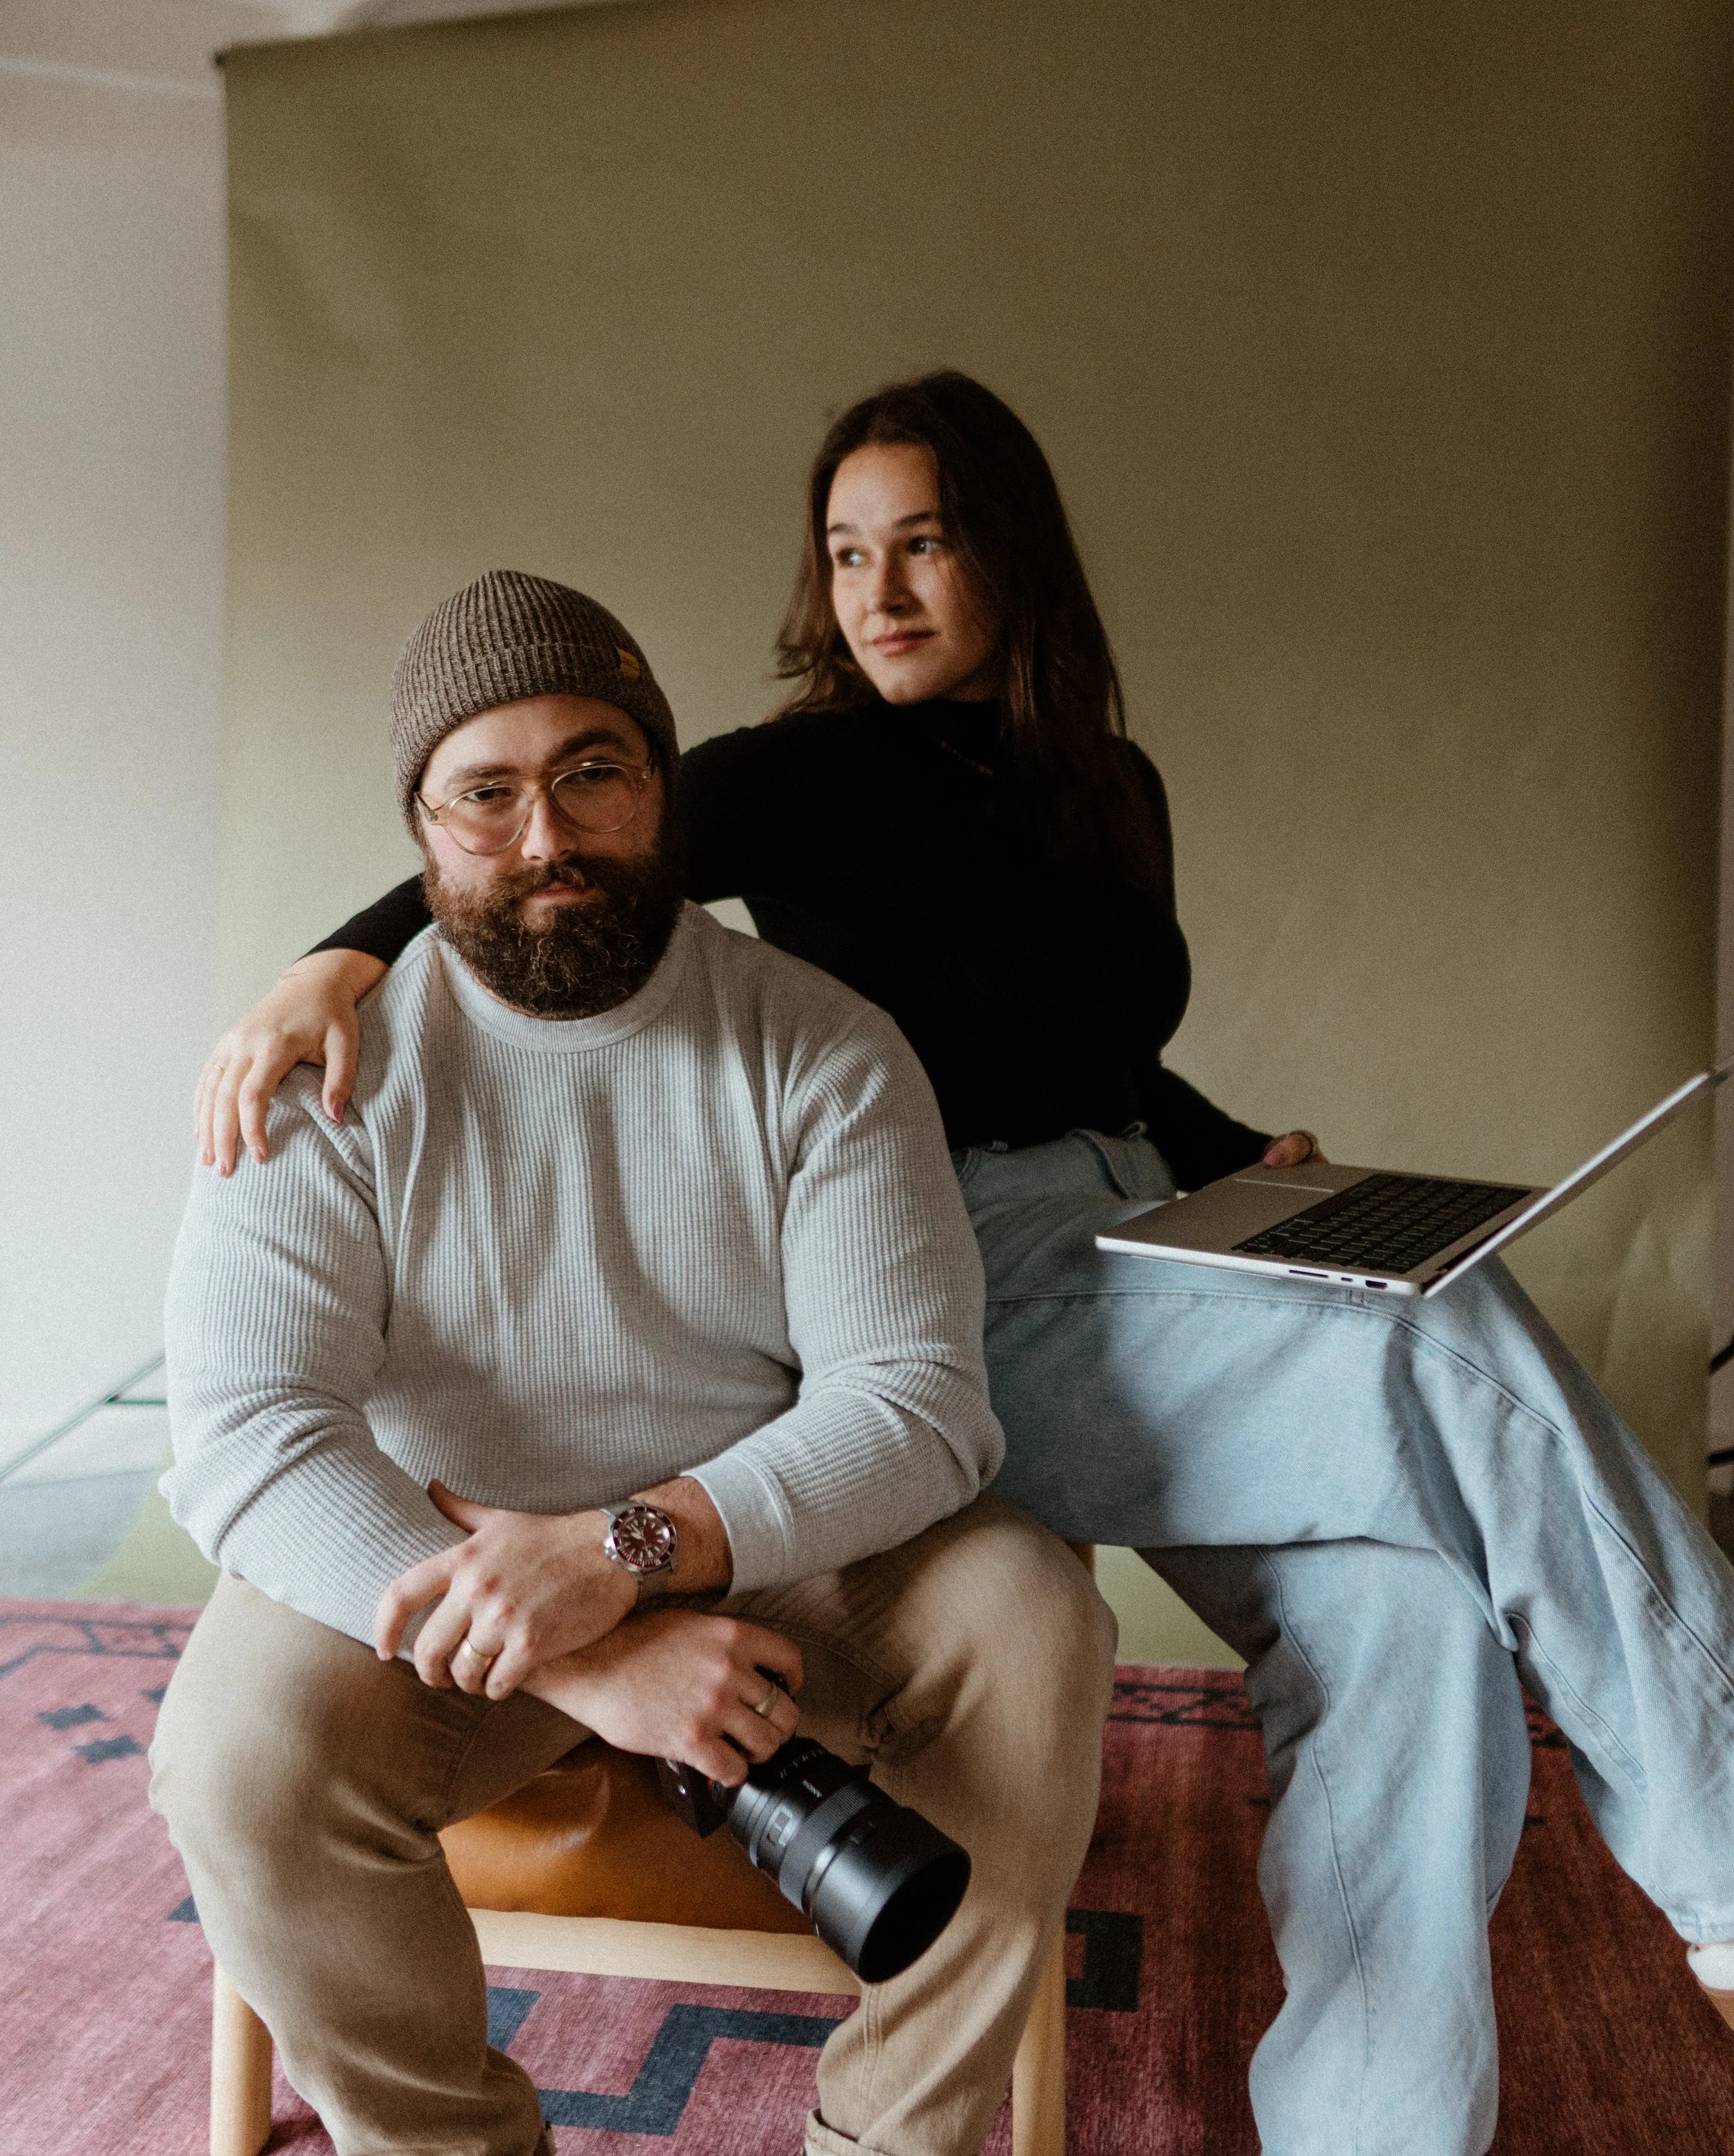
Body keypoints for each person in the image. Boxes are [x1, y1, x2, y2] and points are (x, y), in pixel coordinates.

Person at [195, 374, 1734, 2156]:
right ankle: (1718, 1825)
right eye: (845, 553)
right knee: (1442, 1340)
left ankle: (1374, 2128)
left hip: (1155, 1220)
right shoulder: (796, 774)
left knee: (1408, 1613)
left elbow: (1086, 1033)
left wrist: (1237, 1156)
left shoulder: (1109, 786)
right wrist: (330, 967)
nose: (878, 590)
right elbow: (542, 859)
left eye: (920, 541)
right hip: (959, 1256)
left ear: (1011, 552)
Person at [151, 569, 1118, 2156]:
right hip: (459, 1572)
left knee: (1030, 1620)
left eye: (593, 771)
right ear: (423, 831)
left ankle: (885, 2138)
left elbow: (916, 1406)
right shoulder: (323, 1078)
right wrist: (581, 1648)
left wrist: (629, 1553)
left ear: (663, 789)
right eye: (487, 794)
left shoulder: (824, 1048)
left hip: (780, 1543)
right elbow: (249, 1433)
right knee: (232, 1751)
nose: (546, 837)